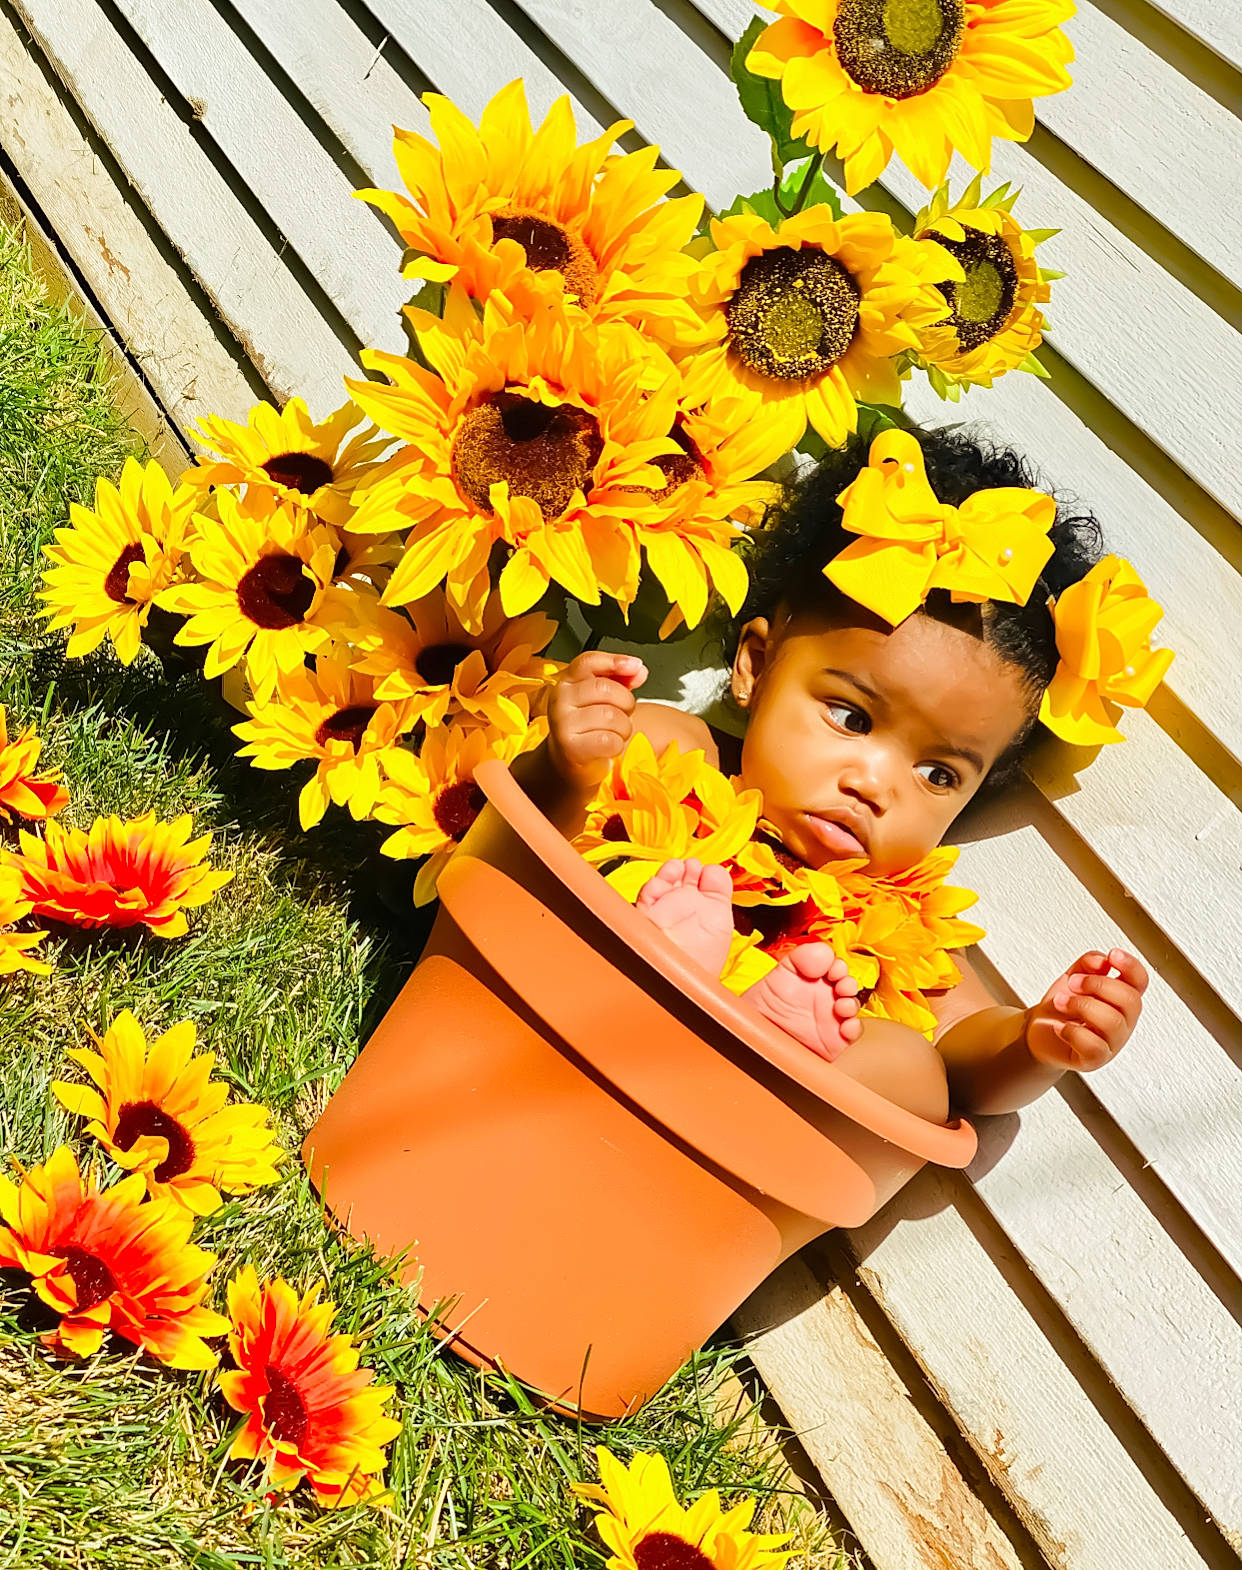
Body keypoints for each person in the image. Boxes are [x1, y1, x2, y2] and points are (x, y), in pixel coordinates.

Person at [515, 425, 1154, 1124]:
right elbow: (516, 836)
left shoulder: (899, 915)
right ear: (755, 666)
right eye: (851, 718)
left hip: (727, 1129)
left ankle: (773, 1033)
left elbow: (967, 1067)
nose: (873, 784)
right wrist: (566, 766)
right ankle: (682, 967)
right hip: (553, 1023)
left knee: (915, 1071)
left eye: (938, 774)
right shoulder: (673, 751)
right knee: (614, 876)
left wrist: (1036, 1043)